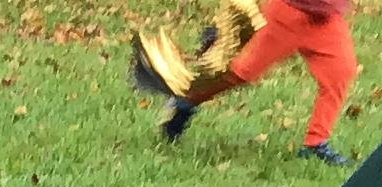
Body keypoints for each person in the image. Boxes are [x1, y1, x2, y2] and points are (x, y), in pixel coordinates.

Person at [130, 0, 360, 166]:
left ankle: (315, 144)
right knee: (241, 72)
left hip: (324, 19)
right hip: (288, 14)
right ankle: (184, 102)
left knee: (340, 71)